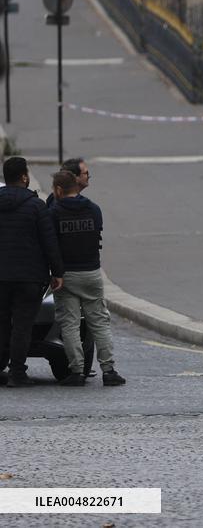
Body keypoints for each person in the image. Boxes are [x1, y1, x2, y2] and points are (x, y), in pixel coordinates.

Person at [49, 170, 125, 387]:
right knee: (99, 321)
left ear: (59, 190)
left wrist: (56, 273)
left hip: (67, 274)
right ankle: (109, 370)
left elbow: (51, 245)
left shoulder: (54, 213)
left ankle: (77, 371)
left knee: (70, 324)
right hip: (91, 272)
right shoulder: (94, 209)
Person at [0, 157, 64, 387]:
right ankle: (17, 373)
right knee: (22, 326)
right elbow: (49, 242)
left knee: (2, 323)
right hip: (29, 277)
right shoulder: (36, 206)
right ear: (24, 177)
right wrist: (57, 272)